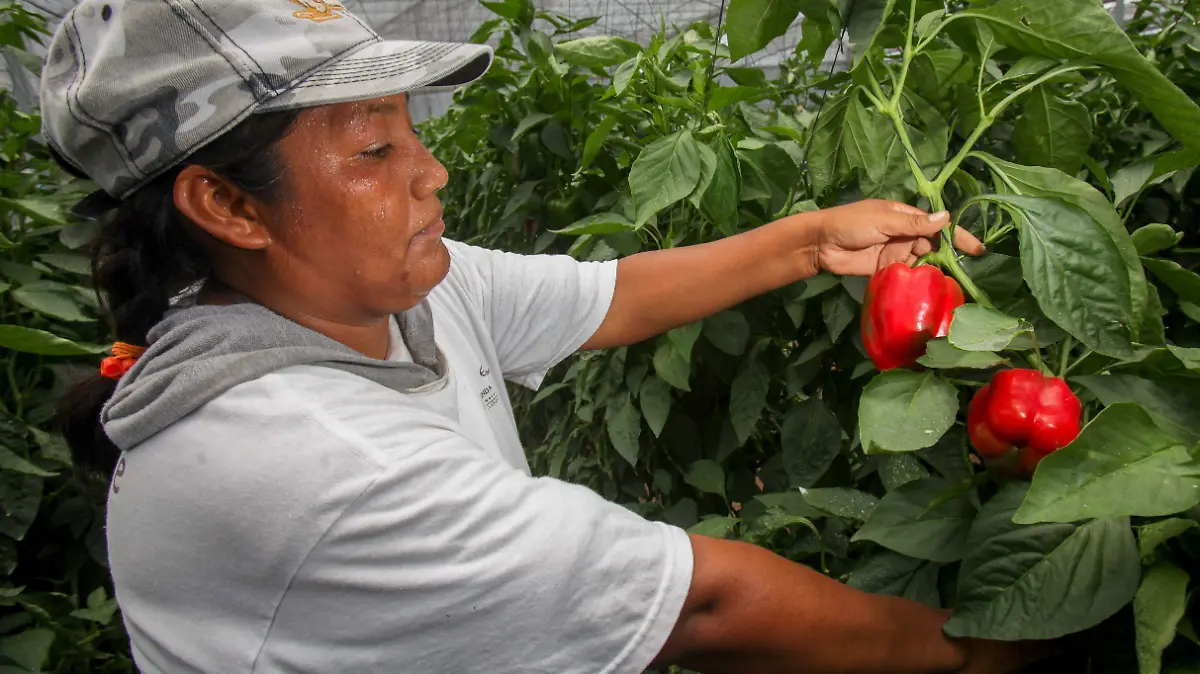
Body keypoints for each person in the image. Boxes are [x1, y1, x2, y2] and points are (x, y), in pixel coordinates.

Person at [41, 1, 1048, 672]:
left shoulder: (367, 292)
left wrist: (811, 239)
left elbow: (609, 295)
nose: (429, 171)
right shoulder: (303, 458)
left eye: (410, 127)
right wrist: (980, 649)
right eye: (376, 149)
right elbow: (702, 604)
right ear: (228, 205)